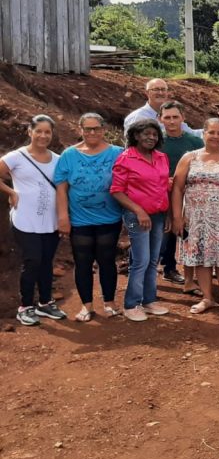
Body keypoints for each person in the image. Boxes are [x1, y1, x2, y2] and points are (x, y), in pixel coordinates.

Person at [171, 118, 219, 316]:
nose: (215, 136)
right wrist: (177, 217)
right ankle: (207, 297)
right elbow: (177, 189)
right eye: (211, 132)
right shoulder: (189, 158)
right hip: (195, 219)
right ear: (203, 133)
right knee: (200, 258)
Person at [55, 113, 124, 322]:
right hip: (80, 220)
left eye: (96, 128)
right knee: (82, 261)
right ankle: (86, 306)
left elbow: (129, 180)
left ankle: (110, 303)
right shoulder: (69, 155)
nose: (92, 132)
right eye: (87, 129)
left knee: (107, 260)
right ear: (81, 130)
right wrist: (63, 217)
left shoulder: (118, 153)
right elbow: (61, 187)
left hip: (109, 218)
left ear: (104, 130)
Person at [0, 115, 65, 326]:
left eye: (47, 132)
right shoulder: (16, 157)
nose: (43, 136)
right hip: (25, 219)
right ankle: (25, 306)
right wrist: (11, 192)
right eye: (39, 131)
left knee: (46, 262)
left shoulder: (58, 159)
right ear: (30, 132)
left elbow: (63, 188)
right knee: (33, 261)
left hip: (51, 221)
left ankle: (45, 303)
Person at [110, 119, 172, 323]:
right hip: (137, 217)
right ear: (136, 135)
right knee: (141, 260)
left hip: (159, 215)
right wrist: (138, 211)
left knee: (153, 259)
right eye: (146, 134)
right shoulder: (126, 158)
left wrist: (169, 214)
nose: (151, 138)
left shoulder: (161, 157)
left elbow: (164, 186)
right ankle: (131, 304)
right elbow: (117, 191)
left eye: (154, 134)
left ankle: (149, 300)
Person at [157, 101, 204, 293]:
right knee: (163, 234)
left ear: (183, 118)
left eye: (175, 117)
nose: (171, 121)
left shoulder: (195, 142)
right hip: (159, 195)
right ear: (160, 119)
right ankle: (147, 275)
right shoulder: (155, 141)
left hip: (188, 195)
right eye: (167, 117)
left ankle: (173, 269)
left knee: (184, 233)